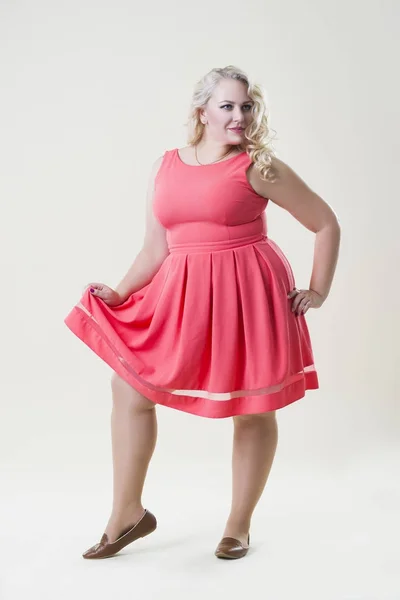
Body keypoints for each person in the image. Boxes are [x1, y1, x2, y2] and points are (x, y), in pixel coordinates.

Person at [64, 65, 341, 561]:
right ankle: (127, 513)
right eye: (227, 106)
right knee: (127, 387)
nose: (239, 116)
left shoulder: (258, 165)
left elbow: (325, 222)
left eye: (246, 106)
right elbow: (156, 247)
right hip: (182, 294)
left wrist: (317, 290)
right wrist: (121, 291)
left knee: (253, 406)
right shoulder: (165, 165)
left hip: (248, 295)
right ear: (202, 111)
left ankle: (238, 525)